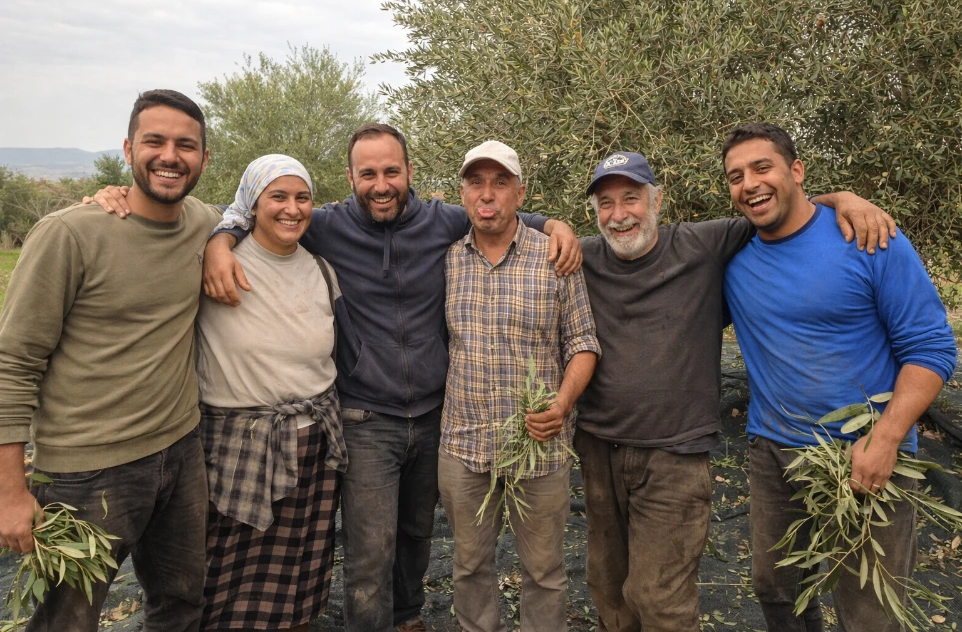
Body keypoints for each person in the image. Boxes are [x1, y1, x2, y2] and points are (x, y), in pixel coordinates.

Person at [91, 123, 584, 632]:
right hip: (366, 416)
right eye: (367, 173)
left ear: (409, 173)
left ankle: (409, 615)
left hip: (437, 415)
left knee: (417, 533)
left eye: (392, 171)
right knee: (369, 548)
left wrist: (554, 225)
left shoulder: (444, 222)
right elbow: (253, 207)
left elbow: (497, 211)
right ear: (350, 177)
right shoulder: (326, 225)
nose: (381, 183)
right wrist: (220, 239)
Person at [575, 150, 898, 632]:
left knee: (658, 596)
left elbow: (782, 204)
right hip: (599, 447)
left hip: (674, 453)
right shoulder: (581, 256)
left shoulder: (704, 243)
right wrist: (549, 225)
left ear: (657, 200)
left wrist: (844, 199)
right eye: (605, 203)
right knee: (606, 583)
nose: (619, 215)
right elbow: (510, 225)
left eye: (631, 198)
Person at [721, 122, 956, 632]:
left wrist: (887, 437)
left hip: (867, 453)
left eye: (763, 167)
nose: (750, 184)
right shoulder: (732, 257)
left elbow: (932, 348)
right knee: (777, 588)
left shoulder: (870, 238)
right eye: (736, 176)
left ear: (797, 170)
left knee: (869, 610)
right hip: (774, 454)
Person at [0, 89, 220, 630]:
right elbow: (13, 363)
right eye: (155, 141)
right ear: (128, 148)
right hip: (85, 472)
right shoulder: (70, 234)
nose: (170, 155)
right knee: (66, 620)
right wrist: (10, 491)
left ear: (204, 159)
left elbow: (262, 213)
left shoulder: (205, 223)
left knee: (183, 601)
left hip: (181, 452)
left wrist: (222, 241)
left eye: (185, 145)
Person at [439, 141, 601, 632]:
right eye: (476, 183)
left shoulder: (555, 257)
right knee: (469, 568)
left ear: (520, 192)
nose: (487, 195)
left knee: (545, 572)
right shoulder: (445, 260)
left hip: (540, 446)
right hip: (463, 443)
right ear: (463, 193)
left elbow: (582, 340)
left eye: (500, 183)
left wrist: (563, 401)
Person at [195, 155, 347, 630]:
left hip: (315, 441)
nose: (291, 208)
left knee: (303, 566)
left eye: (302, 197)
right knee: (227, 573)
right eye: (277, 197)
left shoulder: (321, 268)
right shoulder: (213, 262)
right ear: (251, 204)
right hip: (241, 444)